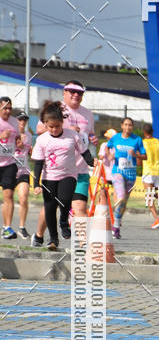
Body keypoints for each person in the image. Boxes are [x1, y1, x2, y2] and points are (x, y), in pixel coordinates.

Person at [31, 80, 97, 246]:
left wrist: (91, 139)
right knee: (50, 206)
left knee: (80, 206)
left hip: (79, 169)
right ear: (64, 92)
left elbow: (90, 136)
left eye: (80, 92)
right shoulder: (55, 108)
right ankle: (39, 236)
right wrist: (63, 129)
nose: (76, 95)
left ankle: (82, 245)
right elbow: (40, 129)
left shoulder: (88, 114)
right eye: (72, 91)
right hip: (53, 170)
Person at [106, 117, 146, 239]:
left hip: (131, 174)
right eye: (126, 124)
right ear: (122, 126)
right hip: (117, 171)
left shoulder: (137, 140)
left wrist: (136, 155)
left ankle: (116, 225)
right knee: (121, 196)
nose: (128, 127)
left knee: (124, 203)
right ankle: (115, 225)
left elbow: (145, 156)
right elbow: (107, 146)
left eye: (130, 125)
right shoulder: (116, 138)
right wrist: (110, 155)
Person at [0, 97, 21, 240]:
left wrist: (19, 142)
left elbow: (17, 138)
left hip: (9, 164)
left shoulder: (14, 122)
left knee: (8, 195)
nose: (8, 111)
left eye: (9, 108)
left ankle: (7, 228)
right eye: (5, 108)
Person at [14, 113, 32, 238]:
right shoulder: (7, 133)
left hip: (23, 170)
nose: (23, 122)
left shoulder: (29, 135)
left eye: (25, 120)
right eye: (20, 120)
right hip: (8, 170)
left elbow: (28, 151)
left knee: (24, 198)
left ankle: (21, 227)